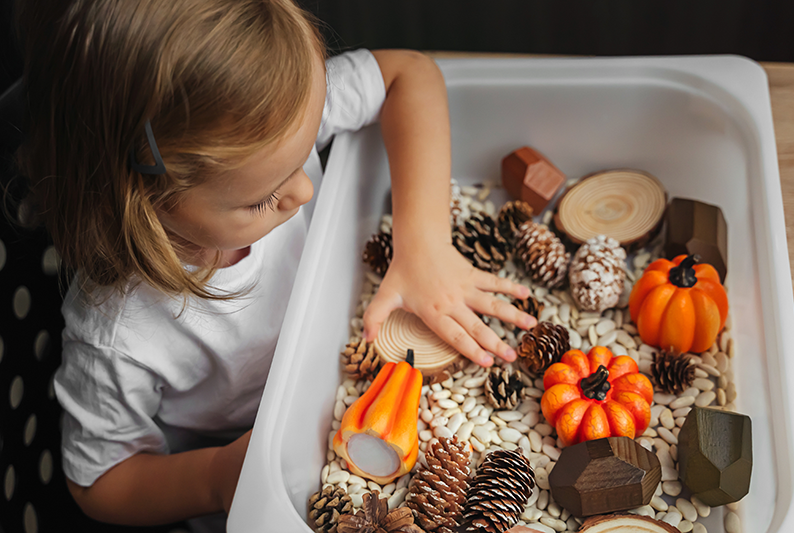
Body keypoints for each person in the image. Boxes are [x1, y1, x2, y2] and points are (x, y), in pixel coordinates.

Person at [14, 0, 538, 529]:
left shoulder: (268, 110)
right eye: (263, 198)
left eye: (308, 148)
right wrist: (214, 476)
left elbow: (410, 73)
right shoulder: (117, 333)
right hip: (250, 470)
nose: (306, 188)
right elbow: (100, 481)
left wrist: (422, 243)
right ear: (143, 204)